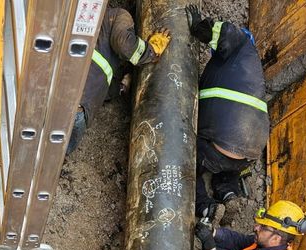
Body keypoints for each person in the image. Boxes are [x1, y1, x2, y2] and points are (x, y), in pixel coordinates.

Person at [185, 5, 270, 222]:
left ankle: (207, 208)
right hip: (248, 154)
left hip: (218, 146)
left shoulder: (242, 45)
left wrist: (198, 26)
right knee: (226, 168)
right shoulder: (249, 73)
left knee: (187, 166)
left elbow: (224, 32)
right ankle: (229, 194)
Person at [66, 7, 172, 153]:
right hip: (78, 109)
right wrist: (151, 51)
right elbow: (124, 44)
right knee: (53, 156)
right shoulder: (117, 15)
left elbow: (102, 85)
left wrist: (121, 87)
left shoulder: (75, 18)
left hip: (59, 99)